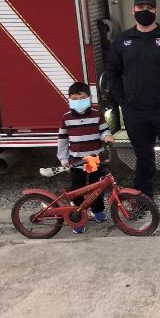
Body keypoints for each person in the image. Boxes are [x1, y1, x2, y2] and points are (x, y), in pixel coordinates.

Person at [106, 0, 160, 218]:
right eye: (141, 7)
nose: (145, 11)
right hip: (135, 112)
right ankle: (143, 201)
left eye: (150, 8)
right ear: (132, 10)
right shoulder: (122, 41)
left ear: (156, 11)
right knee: (143, 159)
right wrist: (123, 101)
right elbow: (113, 74)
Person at [57, 82, 115, 234]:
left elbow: (104, 131)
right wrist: (63, 158)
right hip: (76, 162)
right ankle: (78, 216)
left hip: (94, 160)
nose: (78, 101)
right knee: (77, 190)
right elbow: (62, 140)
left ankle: (98, 211)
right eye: (74, 98)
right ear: (69, 99)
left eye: (82, 98)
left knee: (97, 187)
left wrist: (107, 136)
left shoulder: (97, 114)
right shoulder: (66, 118)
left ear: (89, 98)